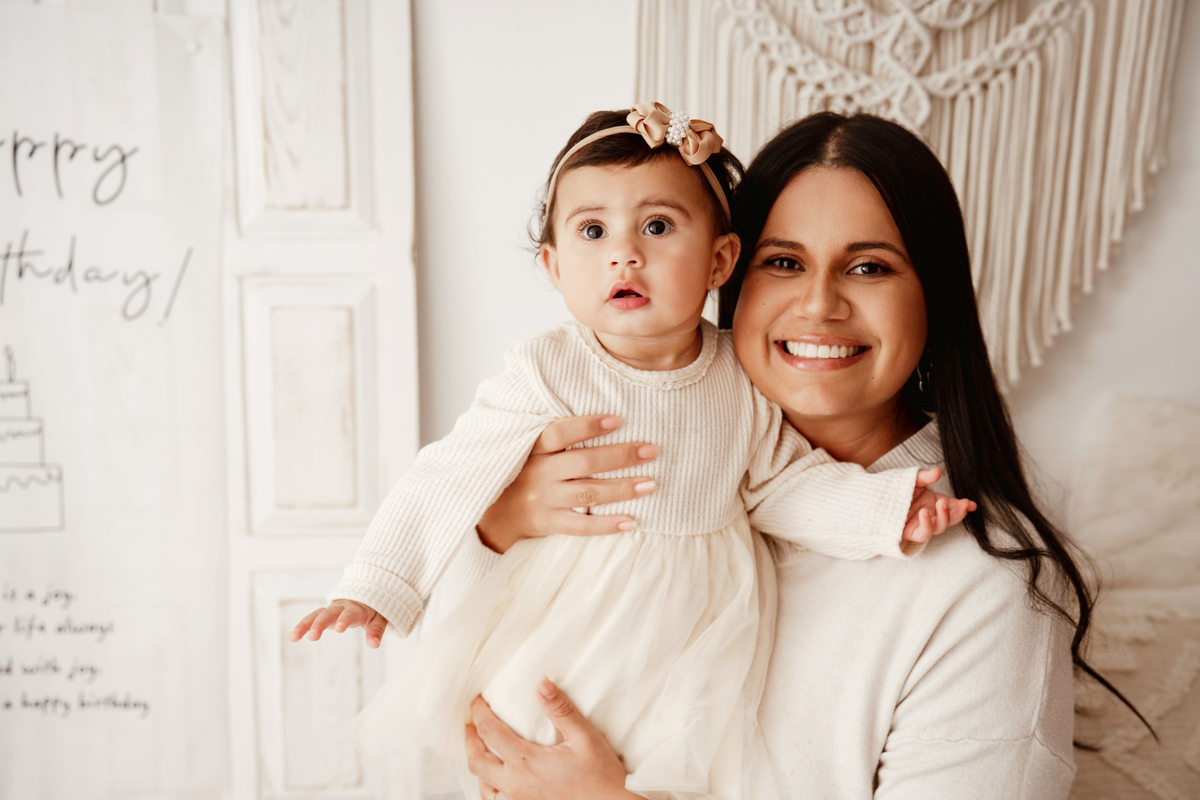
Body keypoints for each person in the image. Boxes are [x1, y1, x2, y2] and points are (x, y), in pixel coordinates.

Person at [288, 104, 973, 800]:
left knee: (675, 762)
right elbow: (448, 476)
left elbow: (782, 486)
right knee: (535, 727)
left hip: (698, 631)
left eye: (656, 226)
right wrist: (378, 583)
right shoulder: (548, 371)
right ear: (554, 266)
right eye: (593, 231)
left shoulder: (739, 379)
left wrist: (887, 511)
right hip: (572, 618)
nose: (625, 254)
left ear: (719, 259)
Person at [456, 112, 1113, 800]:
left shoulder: (986, 586)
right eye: (784, 262)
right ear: (728, 271)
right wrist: (499, 528)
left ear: (933, 297)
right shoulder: (633, 472)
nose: (819, 304)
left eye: (869, 267)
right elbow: (466, 706)